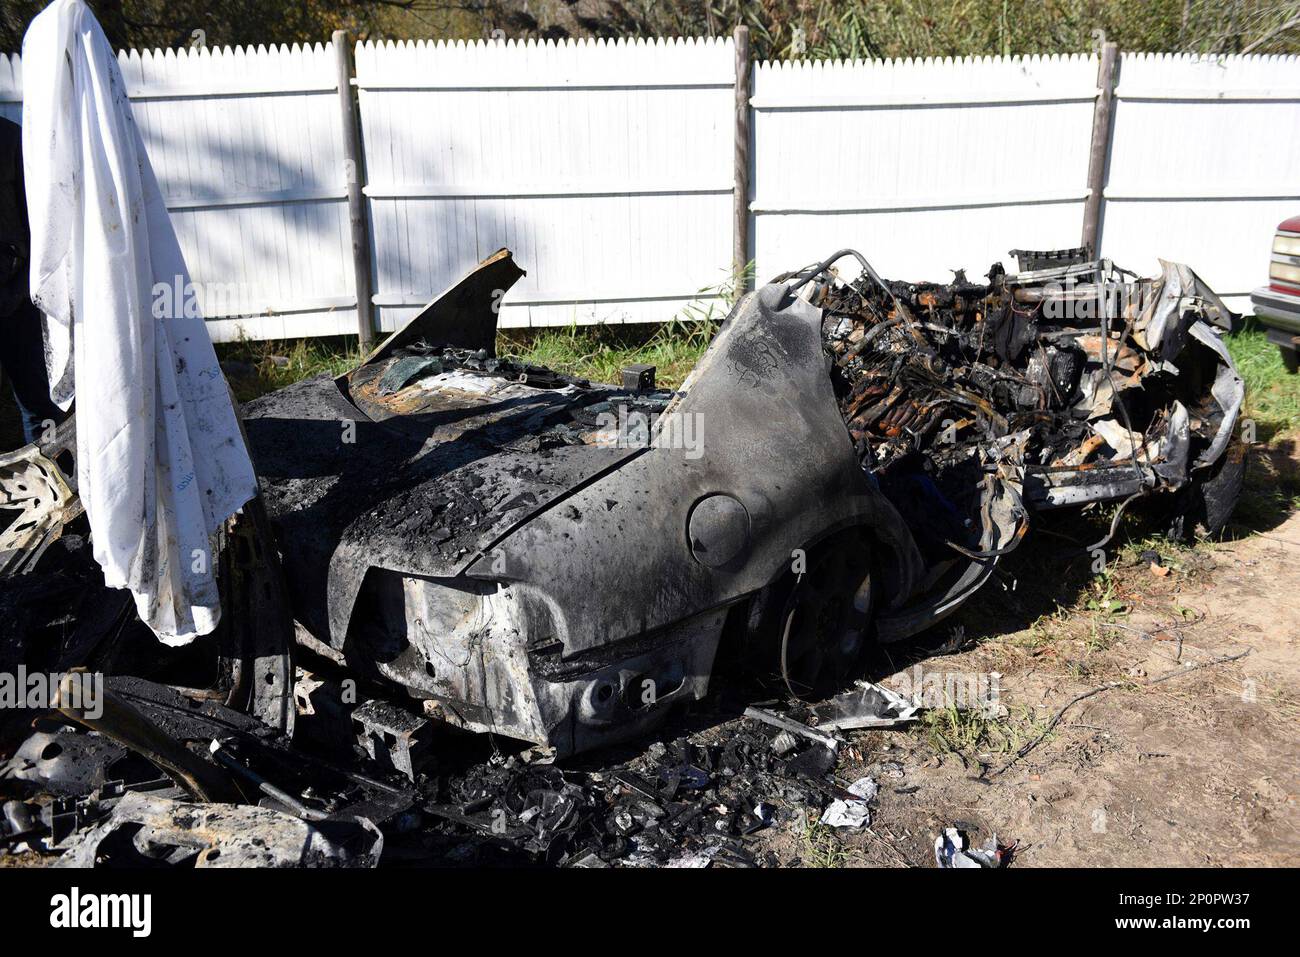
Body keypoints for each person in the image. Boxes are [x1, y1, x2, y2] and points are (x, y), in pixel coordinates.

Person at [0, 114, 63, 446]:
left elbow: (39, 223)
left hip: (17, 301)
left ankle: (58, 476)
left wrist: (23, 285)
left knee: (40, 406)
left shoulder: (11, 140)